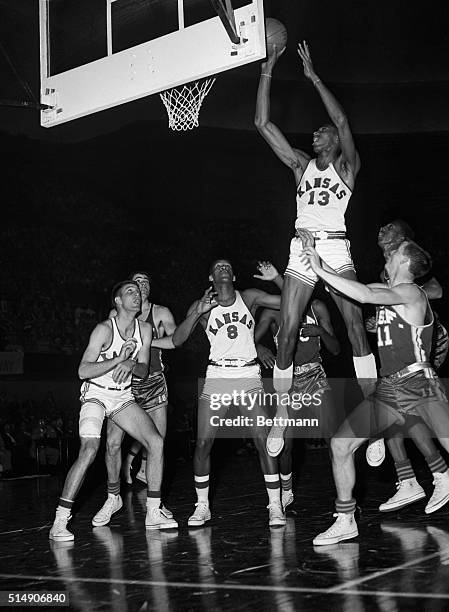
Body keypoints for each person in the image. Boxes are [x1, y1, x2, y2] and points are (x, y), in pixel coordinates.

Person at [254, 42, 378, 461]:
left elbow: (342, 119)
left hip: (337, 250)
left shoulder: (347, 167)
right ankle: (284, 410)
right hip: (301, 250)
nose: (317, 132)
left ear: (335, 142)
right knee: (286, 334)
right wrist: (269, 66)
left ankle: (373, 414)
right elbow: (262, 122)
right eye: (318, 131)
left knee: (355, 327)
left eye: (322, 131)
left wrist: (314, 77)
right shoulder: (300, 165)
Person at [301, 241, 449, 546]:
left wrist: (318, 269)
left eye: (396, 251)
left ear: (405, 262)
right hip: (390, 390)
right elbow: (354, 290)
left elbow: (365, 295)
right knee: (341, 445)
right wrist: (319, 260)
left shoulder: (411, 291)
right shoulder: (389, 292)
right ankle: (345, 520)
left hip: (419, 384)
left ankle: (438, 478)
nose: (390, 252)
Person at [49, 280, 178, 542]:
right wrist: (117, 359)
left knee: (155, 442)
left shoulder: (144, 329)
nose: (137, 295)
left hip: (122, 398)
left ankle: (153, 511)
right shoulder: (103, 330)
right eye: (129, 291)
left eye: (138, 292)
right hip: (96, 395)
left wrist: (131, 364)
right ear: (117, 301)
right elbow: (82, 371)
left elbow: (143, 369)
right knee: (90, 449)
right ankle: (60, 521)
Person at [92, 276, 215, 528]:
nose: (141, 285)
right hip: (125, 382)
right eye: (135, 283)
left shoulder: (160, 313)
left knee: (157, 442)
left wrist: (146, 341)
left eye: (145, 282)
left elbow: (176, 340)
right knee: (113, 444)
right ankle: (112, 497)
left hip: (154, 380)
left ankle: (155, 504)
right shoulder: (118, 313)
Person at [186, 259, 287, 527]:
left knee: (262, 440)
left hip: (247, 374)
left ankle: (275, 506)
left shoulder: (250, 297)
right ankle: (202, 506)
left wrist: (276, 277)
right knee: (203, 443)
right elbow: (178, 338)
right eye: (217, 266)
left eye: (228, 265)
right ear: (211, 278)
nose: (223, 267)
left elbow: (291, 301)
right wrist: (197, 311)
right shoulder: (204, 305)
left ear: (234, 274)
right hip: (218, 375)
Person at [369, 220, 449, 513]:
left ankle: (439, 473)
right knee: (398, 411)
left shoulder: (410, 262)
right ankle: (410, 480)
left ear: (402, 240)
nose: (381, 230)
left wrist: (406, 294)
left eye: (388, 228)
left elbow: (435, 290)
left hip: (423, 343)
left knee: (417, 411)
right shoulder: (387, 269)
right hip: (397, 348)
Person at [255, 288, 340, 511]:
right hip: (288, 382)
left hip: (314, 377)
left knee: (334, 439)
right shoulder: (273, 311)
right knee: (285, 445)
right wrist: (258, 346)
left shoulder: (317, 307)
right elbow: (247, 341)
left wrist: (321, 331)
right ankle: (287, 491)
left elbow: (336, 349)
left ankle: (345, 499)